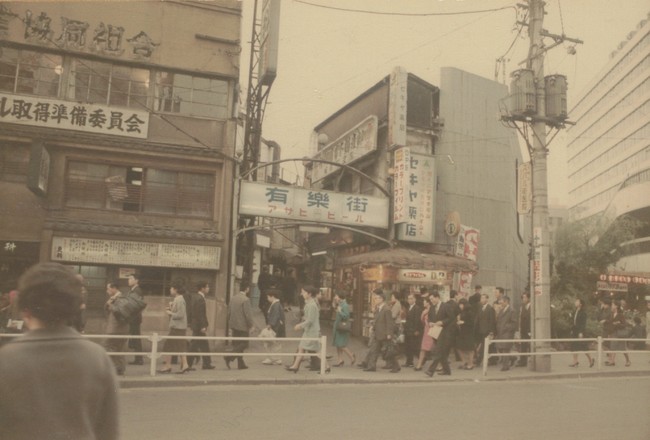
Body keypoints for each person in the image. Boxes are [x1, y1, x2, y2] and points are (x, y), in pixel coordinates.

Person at [0, 263, 118, 440]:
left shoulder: (6, 358)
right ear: (75, 307)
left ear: (25, 310)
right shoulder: (97, 357)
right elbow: (108, 430)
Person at [286, 286, 327, 373]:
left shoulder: (311, 305)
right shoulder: (309, 303)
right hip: (309, 331)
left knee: (316, 351)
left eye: (304, 292)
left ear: (309, 294)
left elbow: (310, 320)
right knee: (302, 348)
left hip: (312, 331)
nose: (302, 294)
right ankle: (295, 366)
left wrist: (300, 325)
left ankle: (326, 367)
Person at [157, 282, 191, 374]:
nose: (170, 290)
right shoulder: (179, 299)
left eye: (171, 288)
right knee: (180, 346)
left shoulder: (179, 300)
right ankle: (184, 365)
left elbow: (180, 314)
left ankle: (168, 365)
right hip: (179, 327)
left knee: (168, 347)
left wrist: (170, 313)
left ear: (176, 289)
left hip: (177, 328)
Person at [362, 289, 399, 373]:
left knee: (388, 351)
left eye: (377, 298)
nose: (375, 300)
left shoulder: (386, 309)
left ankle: (396, 366)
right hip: (377, 333)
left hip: (384, 334)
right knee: (373, 350)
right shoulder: (378, 309)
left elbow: (390, 322)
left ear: (382, 299)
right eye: (375, 298)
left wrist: (389, 334)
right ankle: (371, 366)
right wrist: (373, 327)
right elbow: (377, 320)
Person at [225, 280, 256, 370]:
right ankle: (229, 357)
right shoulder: (246, 300)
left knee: (237, 344)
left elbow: (229, 311)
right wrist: (252, 325)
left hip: (234, 325)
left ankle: (241, 363)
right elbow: (248, 315)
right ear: (247, 289)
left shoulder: (233, 298)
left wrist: (230, 322)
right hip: (242, 326)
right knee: (244, 344)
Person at [425, 292, 455, 377]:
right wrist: (430, 322)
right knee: (442, 352)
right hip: (435, 332)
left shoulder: (446, 306)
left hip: (444, 332)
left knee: (438, 351)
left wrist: (442, 322)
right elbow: (430, 317)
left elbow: (451, 318)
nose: (431, 301)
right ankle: (447, 370)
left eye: (432, 299)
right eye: (430, 300)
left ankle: (431, 370)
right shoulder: (432, 308)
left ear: (437, 297)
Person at [104, 282, 129, 376]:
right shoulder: (116, 298)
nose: (107, 291)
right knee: (119, 349)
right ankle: (119, 369)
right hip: (120, 329)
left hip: (116, 328)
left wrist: (110, 305)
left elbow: (118, 312)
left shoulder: (121, 298)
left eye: (108, 288)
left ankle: (112, 369)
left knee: (108, 347)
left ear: (114, 288)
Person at [188, 282, 214, 370]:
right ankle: (187, 364)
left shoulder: (195, 297)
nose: (208, 288)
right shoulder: (200, 298)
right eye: (207, 287)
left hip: (196, 325)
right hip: (199, 326)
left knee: (204, 344)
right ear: (202, 288)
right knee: (193, 345)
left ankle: (206, 364)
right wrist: (203, 326)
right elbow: (200, 314)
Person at [332, 290, 356, 367]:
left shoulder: (345, 305)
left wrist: (339, 311)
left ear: (340, 297)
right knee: (338, 344)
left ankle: (351, 355)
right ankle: (340, 360)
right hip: (338, 326)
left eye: (336, 296)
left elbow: (346, 316)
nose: (335, 297)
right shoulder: (340, 304)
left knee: (341, 344)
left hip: (342, 326)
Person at [569, 298, 594, 368]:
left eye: (577, 301)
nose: (575, 302)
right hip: (574, 331)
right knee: (574, 347)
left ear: (580, 304)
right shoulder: (575, 311)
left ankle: (590, 360)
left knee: (583, 346)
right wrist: (572, 329)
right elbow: (573, 322)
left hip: (580, 332)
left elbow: (583, 324)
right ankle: (575, 362)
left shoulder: (583, 313)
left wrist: (581, 332)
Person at [262, 288, 285, 365]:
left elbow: (275, 316)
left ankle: (276, 359)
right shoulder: (276, 304)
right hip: (277, 327)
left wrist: (270, 325)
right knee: (273, 343)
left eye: (268, 297)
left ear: (272, 297)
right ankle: (272, 358)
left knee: (275, 343)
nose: (267, 298)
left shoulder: (276, 305)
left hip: (276, 327)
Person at [605, 300, 631, 367]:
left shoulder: (620, 315)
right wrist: (609, 333)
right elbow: (610, 324)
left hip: (620, 333)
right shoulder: (611, 314)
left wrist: (617, 324)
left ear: (616, 306)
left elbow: (624, 325)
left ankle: (628, 360)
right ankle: (612, 361)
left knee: (623, 348)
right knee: (613, 347)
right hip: (613, 333)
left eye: (613, 305)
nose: (611, 306)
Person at [495, 296, 518, 371]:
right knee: (500, 348)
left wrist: (506, 327)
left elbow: (514, 323)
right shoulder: (502, 310)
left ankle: (505, 366)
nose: (500, 303)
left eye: (501, 301)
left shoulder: (512, 311)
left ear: (506, 302)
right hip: (500, 333)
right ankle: (512, 358)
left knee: (505, 349)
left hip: (507, 333)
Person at [127, 273, 145, 365]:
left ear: (136, 280)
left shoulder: (137, 291)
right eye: (128, 279)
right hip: (133, 317)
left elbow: (137, 305)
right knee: (134, 337)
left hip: (134, 318)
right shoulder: (133, 290)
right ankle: (138, 358)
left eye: (131, 279)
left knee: (136, 338)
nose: (129, 280)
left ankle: (139, 359)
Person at [474, 293, 496, 366]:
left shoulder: (490, 308)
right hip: (480, 331)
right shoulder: (480, 308)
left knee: (483, 347)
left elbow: (492, 321)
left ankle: (478, 360)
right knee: (490, 347)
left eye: (484, 298)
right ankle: (493, 360)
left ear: (487, 299)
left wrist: (491, 331)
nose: (482, 300)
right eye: (481, 298)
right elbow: (477, 319)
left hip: (487, 331)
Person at [414, 293, 434, 371]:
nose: (423, 303)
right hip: (426, 330)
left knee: (434, 348)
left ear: (428, 302)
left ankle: (440, 364)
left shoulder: (432, 310)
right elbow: (422, 321)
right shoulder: (424, 311)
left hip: (432, 330)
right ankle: (419, 364)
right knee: (423, 348)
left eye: (425, 301)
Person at [403, 292, 423, 368]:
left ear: (415, 299)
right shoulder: (409, 308)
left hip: (413, 331)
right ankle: (409, 362)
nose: (409, 300)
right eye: (408, 298)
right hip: (408, 330)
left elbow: (417, 320)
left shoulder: (417, 308)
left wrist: (416, 330)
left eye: (411, 298)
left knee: (413, 347)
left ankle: (422, 359)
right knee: (408, 347)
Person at [456, 298, 476, 369]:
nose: (460, 306)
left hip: (468, 332)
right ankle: (465, 361)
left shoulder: (469, 312)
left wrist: (463, 322)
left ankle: (470, 363)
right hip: (462, 332)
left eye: (461, 304)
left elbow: (472, 323)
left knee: (469, 348)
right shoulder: (462, 312)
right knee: (460, 347)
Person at [517, 292, 532, 367]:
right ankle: (523, 361)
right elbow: (520, 318)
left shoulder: (532, 306)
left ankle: (532, 360)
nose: (523, 299)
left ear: (529, 298)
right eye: (522, 297)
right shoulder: (522, 306)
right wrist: (519, 328)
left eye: (525, 297)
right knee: (523, 345)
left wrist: (531, 330)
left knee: (531, 346)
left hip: (530, 330)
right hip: (523, 329)